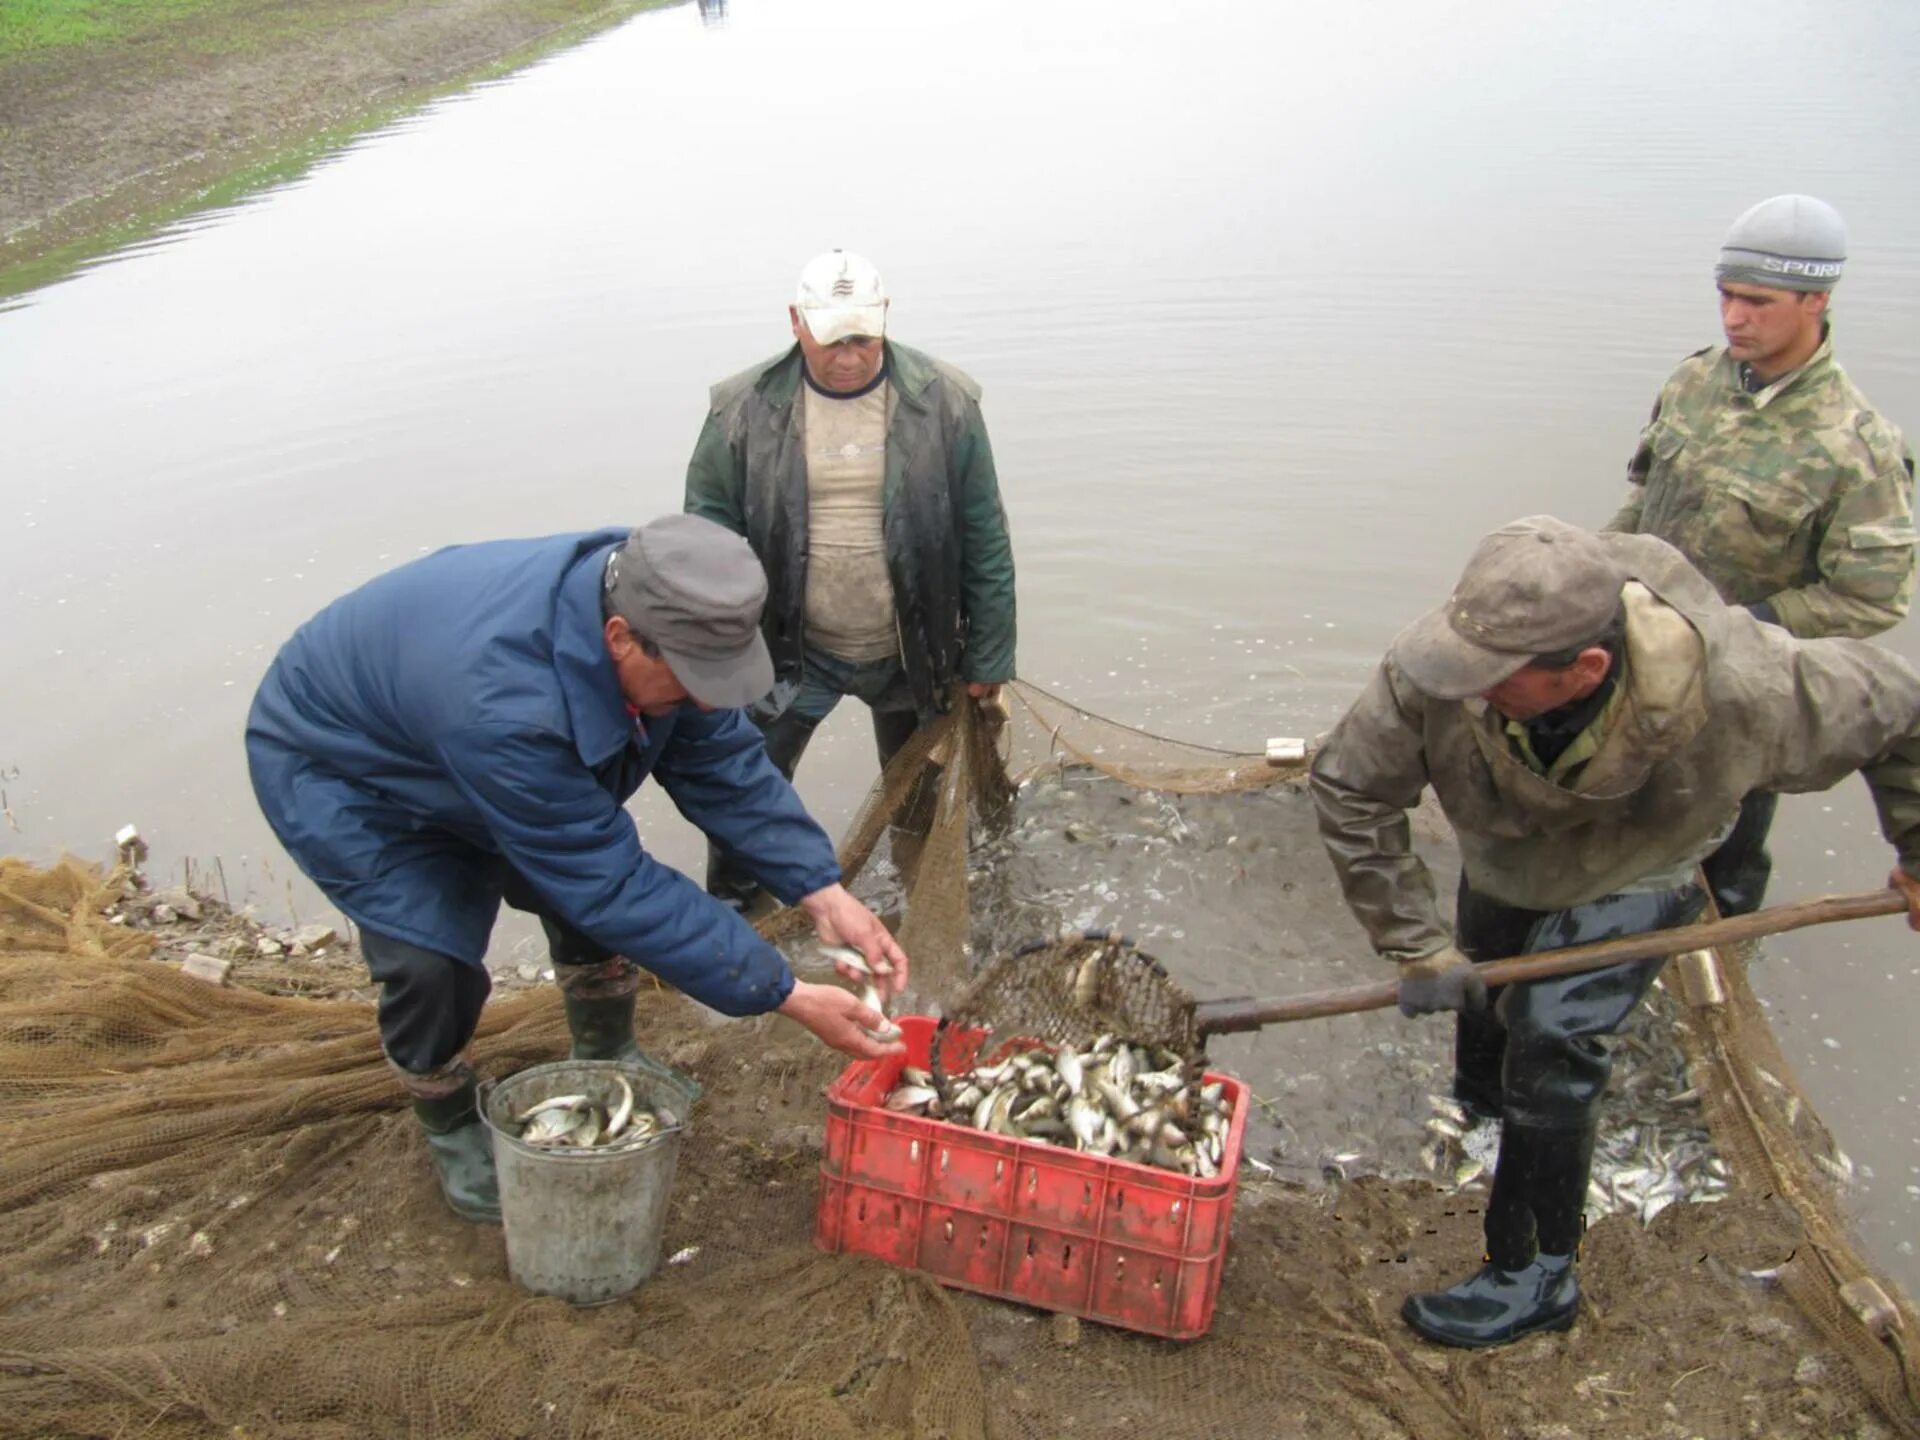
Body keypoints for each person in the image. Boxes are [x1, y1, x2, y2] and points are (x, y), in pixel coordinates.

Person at [1309, 515, 1920, 1350]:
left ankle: (1534, 1272)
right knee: (1486, 976)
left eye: (1492, 679)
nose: (1462, 686)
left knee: (1555, 1035)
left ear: (1585, 669)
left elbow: (1904, 710)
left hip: (1648, 851)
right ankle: (1484, 1108)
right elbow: (1349, 789)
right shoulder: (1440, 667)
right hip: (1507, 847)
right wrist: (1413, 940)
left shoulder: (1752, 686)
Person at [246, 515, 909, 1224]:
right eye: (691, 684)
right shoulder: (505, 706)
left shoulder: (675, 608)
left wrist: (820, 888)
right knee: (431, 961)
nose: (708, 700)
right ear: (620, 638)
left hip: (469, 727)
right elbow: (607, 880)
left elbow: (723, 768)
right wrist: (786, 993)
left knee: (575, 868)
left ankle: (607, 1046)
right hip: (349, 768)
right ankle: (446, 1115)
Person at [1605, 194, 1917, 917]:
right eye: (1725, 296)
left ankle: (1723, 939)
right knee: (1624, 800)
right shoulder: (1691, 383)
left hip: (1745, 679)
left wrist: (1733, 629)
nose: (1734, 318)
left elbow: (1871, 598)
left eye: (1757, 301)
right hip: (1641, 647)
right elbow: (1642, 493)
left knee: (1732, 833)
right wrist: (1601, 574)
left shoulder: (1856, 446)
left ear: (1816, 301)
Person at [685, 249, 1017, 911]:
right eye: (833, 338)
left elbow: (985, 536)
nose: (849, 355)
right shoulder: (739, 409)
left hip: (914, 651)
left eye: (863, 338)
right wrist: (714, 654)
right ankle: (736, 916)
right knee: (743, 785)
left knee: (919, 796)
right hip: (790, 652)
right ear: (797, 323)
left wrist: (989, 654)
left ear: (885, 320)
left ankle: (918, 909)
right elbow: (706, 541)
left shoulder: (945, 401)